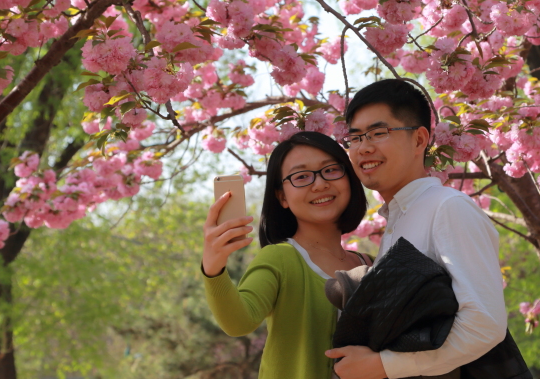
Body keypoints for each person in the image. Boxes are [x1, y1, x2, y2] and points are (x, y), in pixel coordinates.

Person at [326, 79, 508, 379]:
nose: (364, 148)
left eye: (379, 133)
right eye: (355, 138)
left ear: (419, 139)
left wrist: (383, 365)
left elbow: (485, 323)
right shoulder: (399, 217)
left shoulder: (447, 207)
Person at [201, 131, 369, 379]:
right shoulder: (279, 258)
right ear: (282, 197)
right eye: (301, 176)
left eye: (331, 170)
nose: (320, 184)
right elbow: (239, 323)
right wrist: (213, 267)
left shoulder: (371, 264)